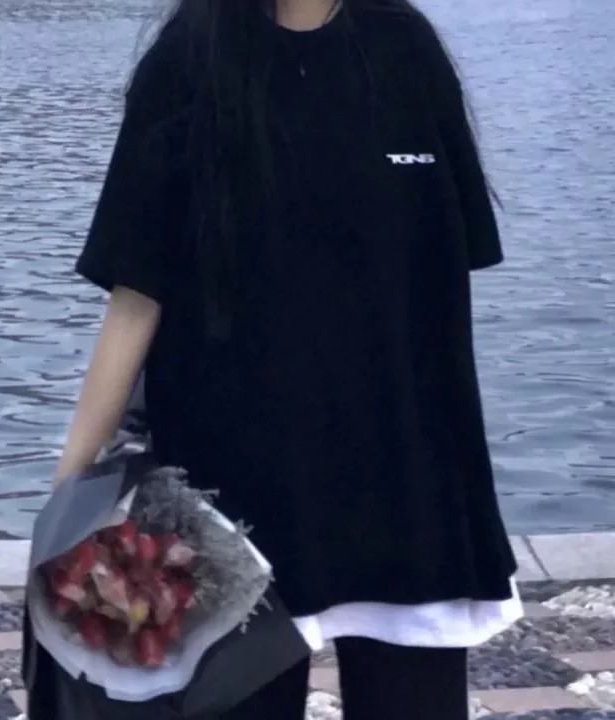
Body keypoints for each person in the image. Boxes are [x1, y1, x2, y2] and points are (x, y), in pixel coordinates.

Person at [55, 0, 523, 717]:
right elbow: (135, 296)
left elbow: (438, 286)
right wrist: (68, 494)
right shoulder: (187, 61)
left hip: (407, 485)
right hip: (230, 503)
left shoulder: (406, 52)